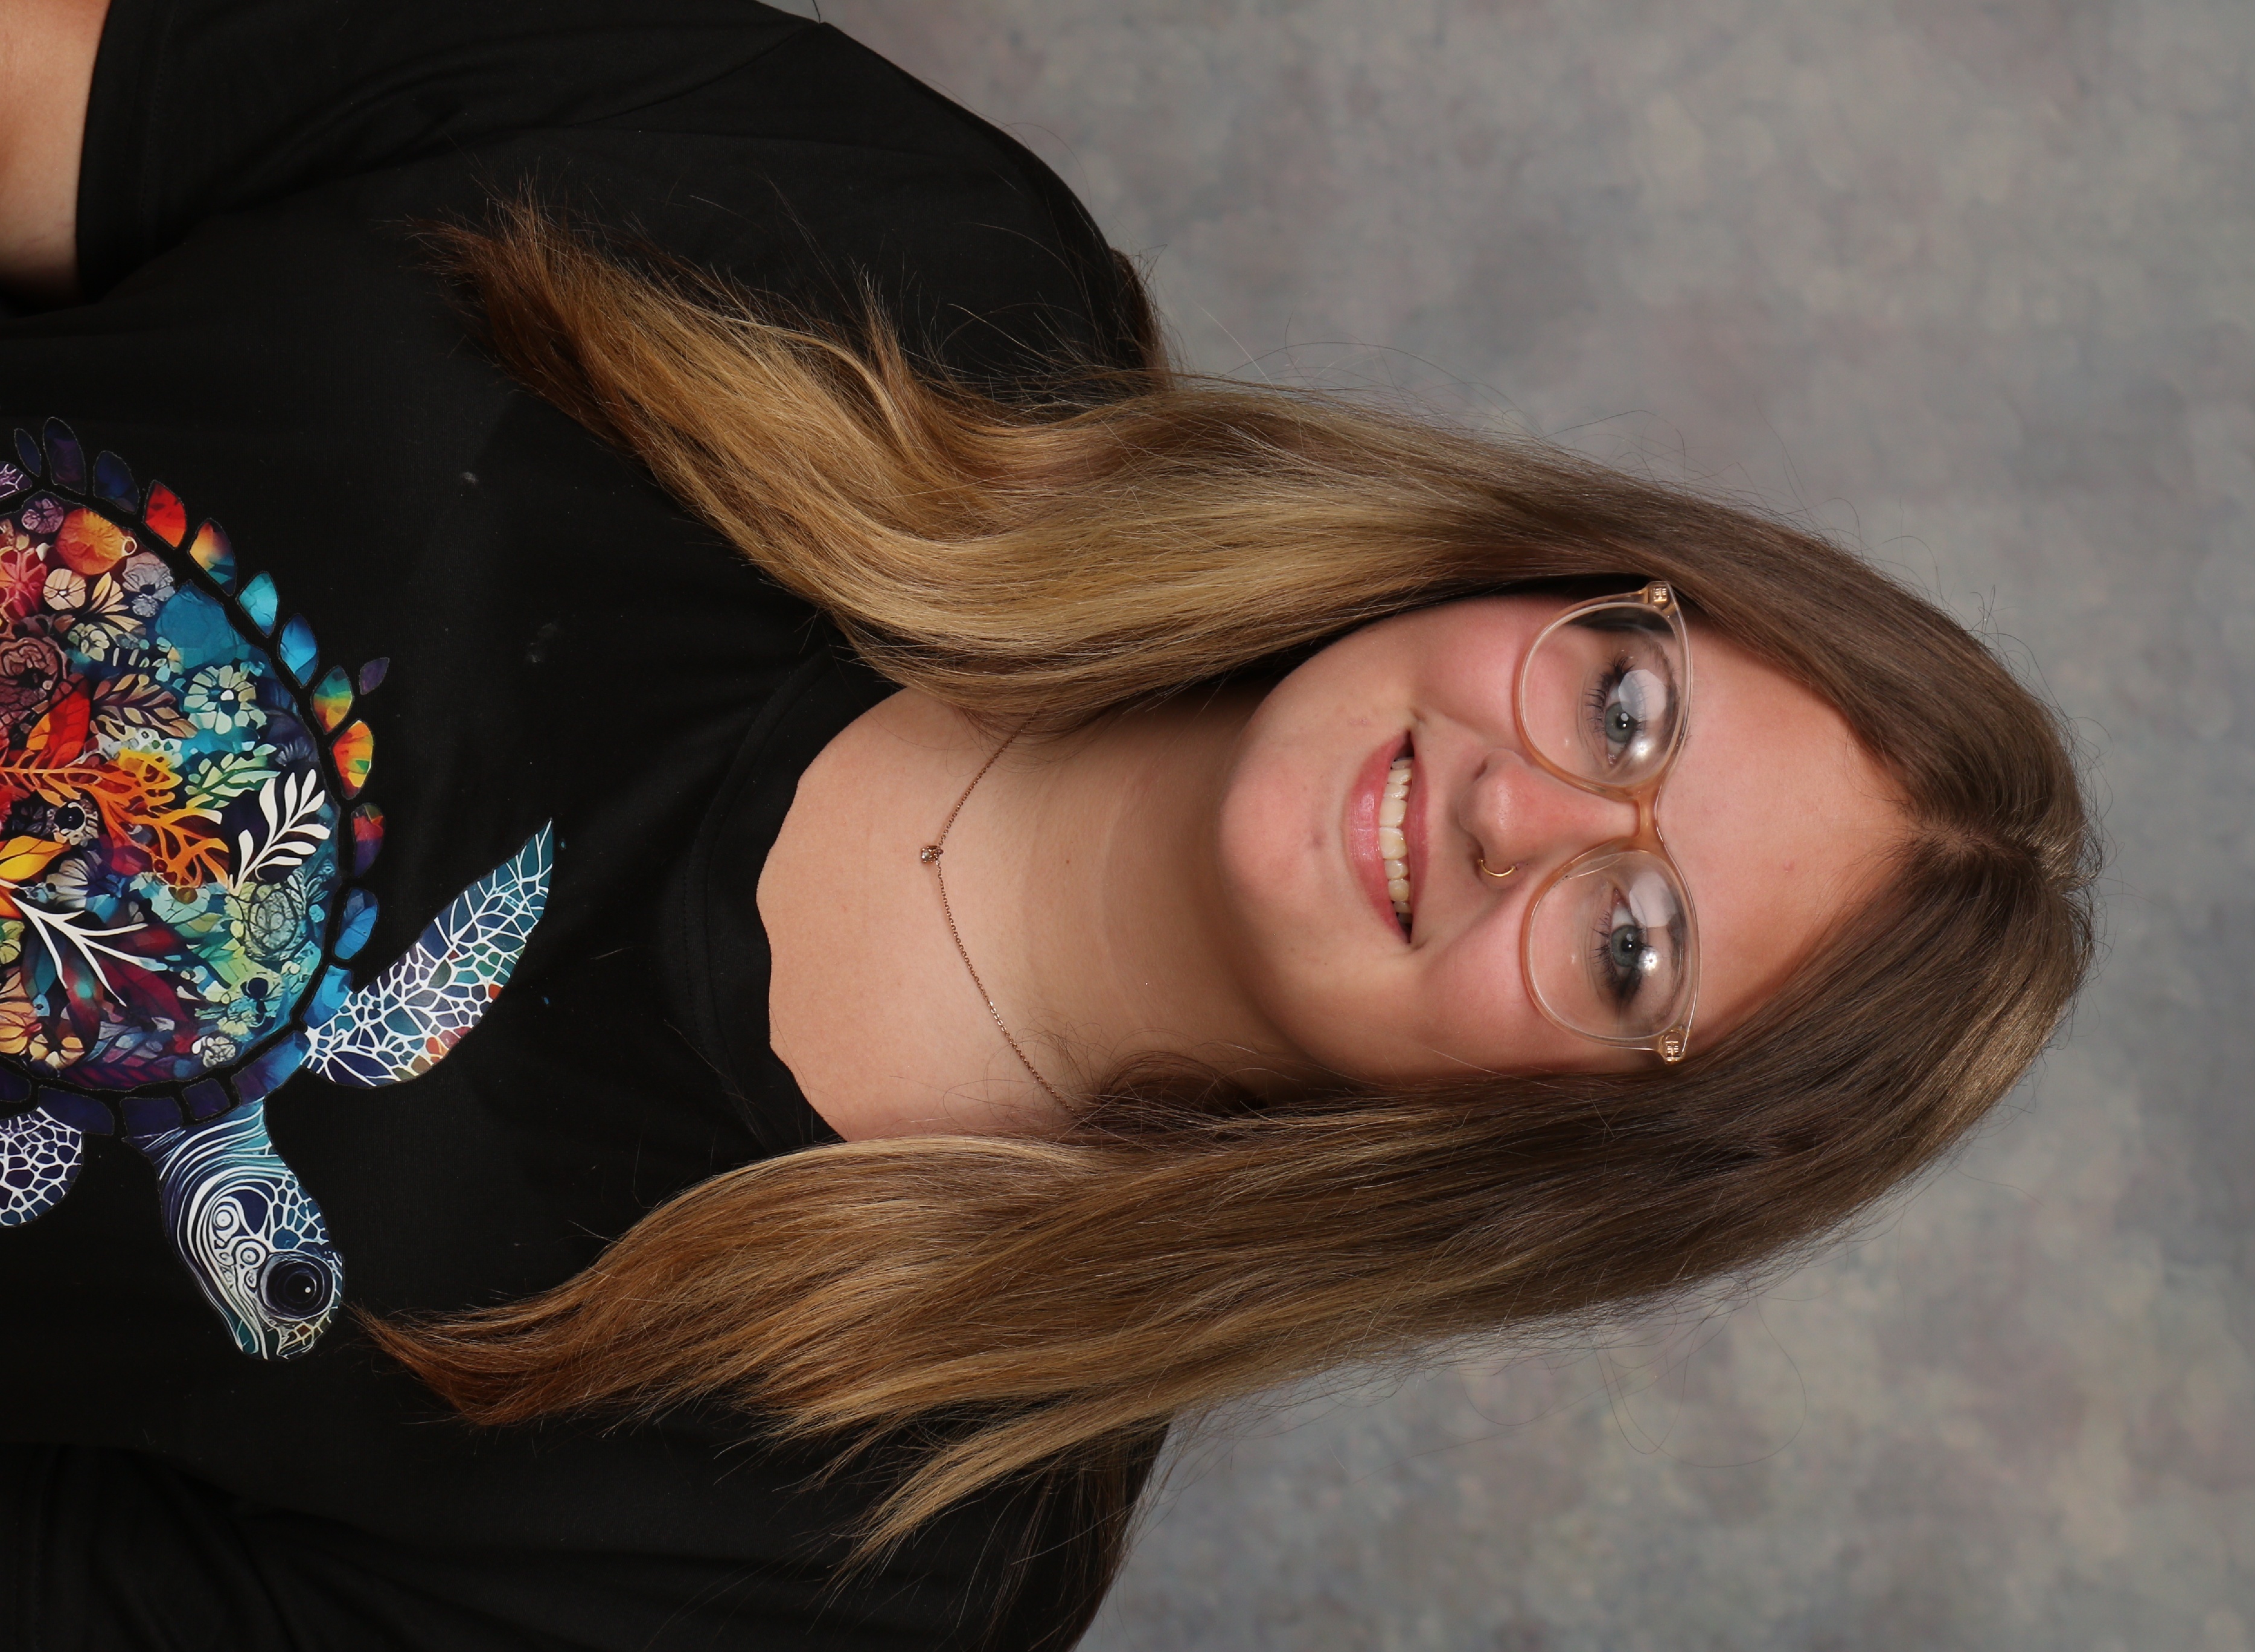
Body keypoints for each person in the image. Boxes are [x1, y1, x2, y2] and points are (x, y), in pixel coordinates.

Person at [0, 0, 2097, 1646]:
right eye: (1625, 707)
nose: (1517, 818)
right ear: (1571, 578)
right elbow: (44, 104)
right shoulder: (921, 258)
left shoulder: (890, 1553)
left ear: (1582, 1151)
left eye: (1631, 943)